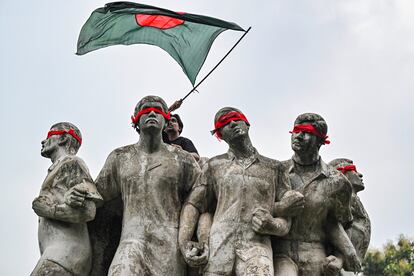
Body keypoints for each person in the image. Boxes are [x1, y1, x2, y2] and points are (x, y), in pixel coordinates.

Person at [93, 95, 201, 275]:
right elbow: (98, 196)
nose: (152, 112)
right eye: (146, 109)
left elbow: (201, 198)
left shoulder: (182, 158)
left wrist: (196, 237)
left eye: (158, 110)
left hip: (170, 247)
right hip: (131, 242)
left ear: (165, 120)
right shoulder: (120, 157)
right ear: (136, 120)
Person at [179, 107, 291, 276]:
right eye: (224, 123)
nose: (232, 123)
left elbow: (287, 217)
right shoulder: (214, 166)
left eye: (235, 118)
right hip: (218, 248)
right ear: (220, 135)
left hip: (257, 249)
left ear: (247, 124)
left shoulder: (275, 168)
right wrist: (185, 242)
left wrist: (272, 225)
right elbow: (194, 204)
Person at [272, 113, 357, 276]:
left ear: (320, 140)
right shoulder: (276, 171)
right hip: (280, 251)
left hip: (315, 253)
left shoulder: (338, 182)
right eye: (296, 130)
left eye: (306, 132)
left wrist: (340, 258)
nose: (298, 136)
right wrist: (281, 208)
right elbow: (260, 209)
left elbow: (343, 224)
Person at [31, 122, 102, 276]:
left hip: (66, 255)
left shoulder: (72, 163)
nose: (43, 141)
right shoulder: (58, 167)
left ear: (63, 138)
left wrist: (49, 209)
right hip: (55, 255)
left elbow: (89, 211)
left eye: (49, 135)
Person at [329, 159, 371, 276]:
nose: (360, 174)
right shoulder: (346, 197)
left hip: (348, 263)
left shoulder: (353, 198)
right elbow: (339, 226)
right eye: (354, 170)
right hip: (341, 260)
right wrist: (342, 257)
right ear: (342, 175)